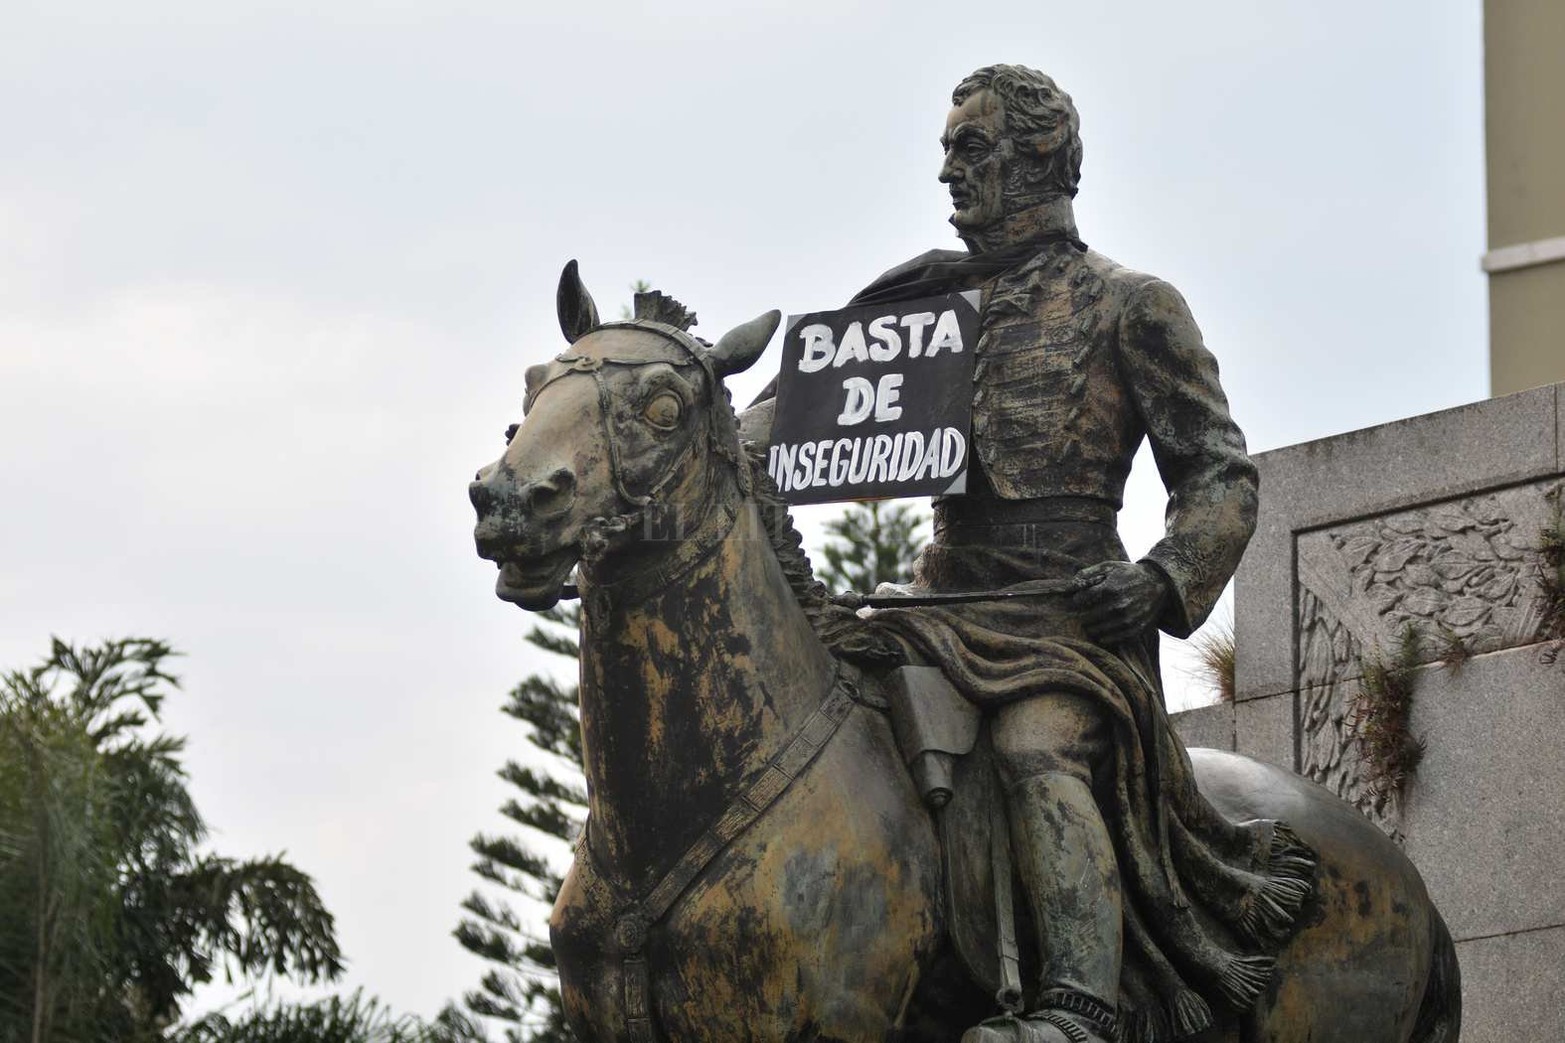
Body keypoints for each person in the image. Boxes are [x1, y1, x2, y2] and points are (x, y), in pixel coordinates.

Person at [747, 65, 1314, 1043]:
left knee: (1031, 744)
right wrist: (659, 438)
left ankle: (1080, 1003)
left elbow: (1220, 474)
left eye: (968, 148)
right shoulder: (915, 302)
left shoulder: (1129, 305)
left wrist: (1156, 579)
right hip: (931, 614)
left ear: (1039, 155)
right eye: (944, 151)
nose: (946, 172)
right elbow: (789, 420)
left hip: (1066, 628)